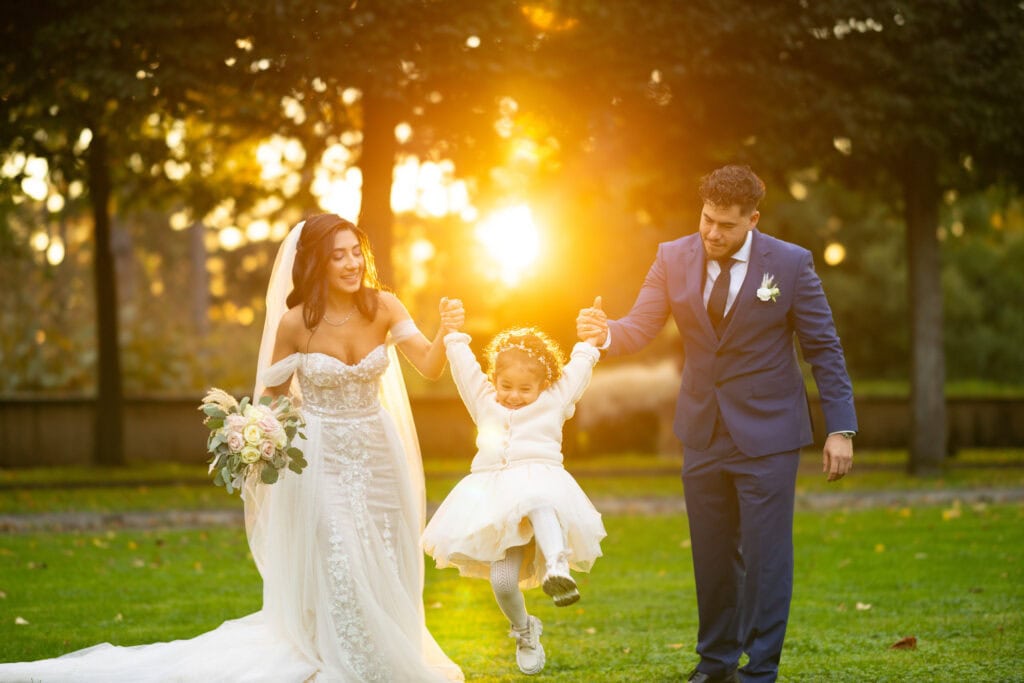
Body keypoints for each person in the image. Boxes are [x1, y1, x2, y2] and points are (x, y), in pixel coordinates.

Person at [0, 213, 465, 682]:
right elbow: (271, 401)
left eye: (354, 253)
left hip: (379, 453)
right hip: (322, 459)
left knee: (386, 552)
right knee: (339, 553)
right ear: (316, 265)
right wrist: (254, 433)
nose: (350, 264)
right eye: (337, 255)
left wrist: (445, 330)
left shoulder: (383, 306)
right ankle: (352, 660)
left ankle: (390, 652)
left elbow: (428, 365)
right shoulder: (294, 324)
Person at [577, 165, 857, 683]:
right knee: (710, 555)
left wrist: (840, 427)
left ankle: (760, 670)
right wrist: (604, 332)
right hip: (702, 430)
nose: (712, 233)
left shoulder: (791, 266)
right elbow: (639, 326)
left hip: (770, 433)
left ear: (752, 219)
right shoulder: (672, 257)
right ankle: (716, 664)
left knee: (767, 558)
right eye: (707, 219)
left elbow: (824, 349)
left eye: (726, 225)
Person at [421, 322, 607, 676]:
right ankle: (525, 630)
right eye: (506, 386)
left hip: (544, 492)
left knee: (537, 497)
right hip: (497, 502)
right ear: (494, 380)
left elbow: (578, 371)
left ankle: (557, 566)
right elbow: (464, 369)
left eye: (525, 389)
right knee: (503, 582)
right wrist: (453, 334)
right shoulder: (484, 400)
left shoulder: (554, 400)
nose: (513, 395)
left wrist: (589, 345)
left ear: (543, 386)